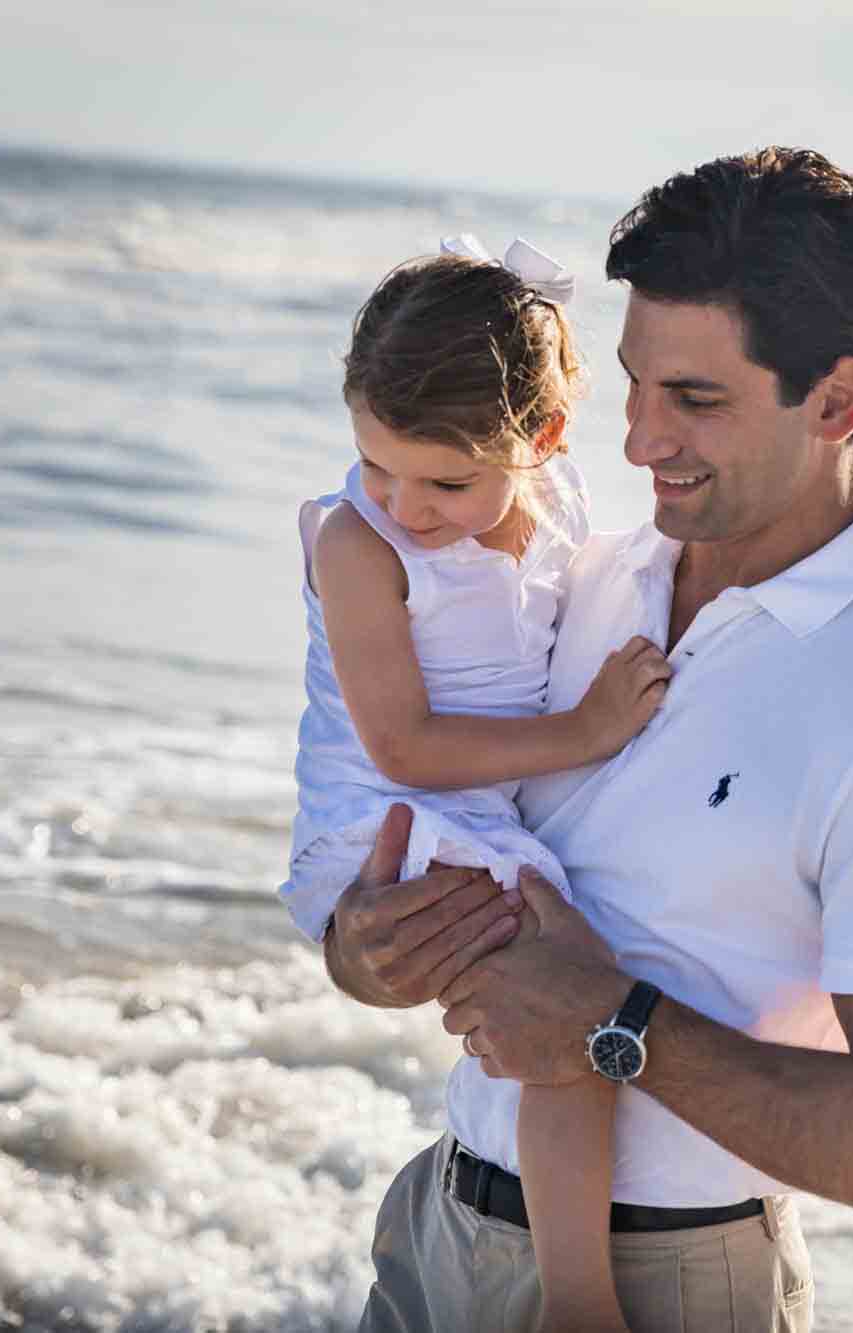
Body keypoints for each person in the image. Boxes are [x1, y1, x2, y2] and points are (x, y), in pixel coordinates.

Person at [324, 148, 853, 1333]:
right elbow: (442, 849)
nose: (641, 441)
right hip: (440, 1231)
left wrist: (616, 1024)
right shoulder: (575, 585)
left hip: (670, 1289)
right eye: (638, 384)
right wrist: (366, 945)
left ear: (838, 402)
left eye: (696, 400)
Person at [280, 234, 672, 1333]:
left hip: (480, 799)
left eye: (445, 479)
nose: (403, 504)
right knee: (569, 1003)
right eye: (376, 464)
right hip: (386, 817)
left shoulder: (557, 505)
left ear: (541, 440)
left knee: (556, 1012)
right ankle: (578, 1300)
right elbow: (401, 744)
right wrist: (584, 732)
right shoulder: (357, 546)